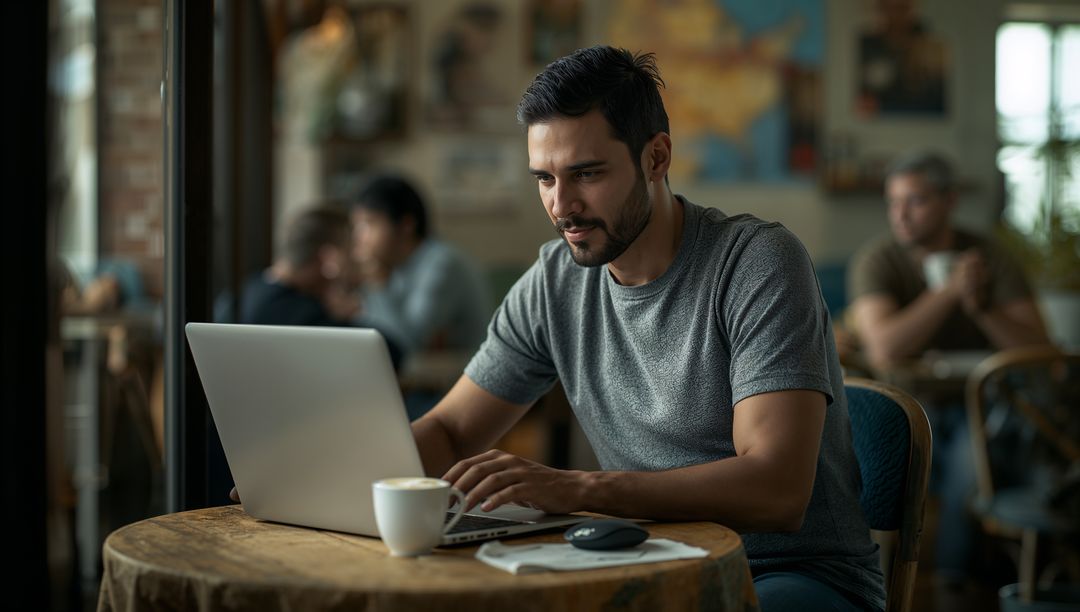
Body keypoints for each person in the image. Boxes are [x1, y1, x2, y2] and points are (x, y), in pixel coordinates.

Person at [411, 46, 885, 611]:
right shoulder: (553, 282)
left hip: (787, 576)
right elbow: (450, 432)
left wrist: (577, 489)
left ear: (656, 157)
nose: (562, 206)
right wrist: (339, 472)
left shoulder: (757, 262)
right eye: (544, 178)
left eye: (586, 174)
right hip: (643, 565)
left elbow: (776, 490)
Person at [846, 151, 1048, 586]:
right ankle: (919, 584)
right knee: (955, 455)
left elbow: (1038, 349)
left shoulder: (989, 257)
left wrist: (981, 308)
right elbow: (883, 348)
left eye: (915, 201)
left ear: (949, 200)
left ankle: (956, 584)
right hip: (906, 407)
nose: (900, 214)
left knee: (974, 458)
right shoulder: (879, 259)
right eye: (893, 202)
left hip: (987, 406)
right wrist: (951, 290)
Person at [239, 204, 403, 368]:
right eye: (352, 250)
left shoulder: (251, 289)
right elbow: (389, 353)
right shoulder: (304, 315)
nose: (358, 258)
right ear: (331, 259)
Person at [350, 175, 492, 359]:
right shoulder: (395, 267)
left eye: (369, 223)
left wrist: (378, 284)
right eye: (357, 226)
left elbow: (408, 345)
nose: (359, 236)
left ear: (406, 225)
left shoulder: (443, 265)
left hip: (460, 379)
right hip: (424, 378)